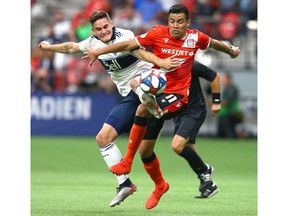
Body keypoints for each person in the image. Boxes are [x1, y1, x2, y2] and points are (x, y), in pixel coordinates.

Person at [38, 11, 179, 207]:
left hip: (147, 80)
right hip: (129, 96)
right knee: (103, 139)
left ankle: (151, 100)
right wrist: (49, 47)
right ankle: (125, 184)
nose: (104, 31)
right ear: (93, 31)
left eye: (106, 26)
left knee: (138, 83)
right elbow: (71, 47)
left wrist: (160, 62)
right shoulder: (92, 43)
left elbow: (141, 52)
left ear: (111, 23)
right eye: (98, 29)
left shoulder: (126, 35)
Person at [82, 3, 240, 177]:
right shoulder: (157, 33)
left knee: (144, 111)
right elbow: (128, 45)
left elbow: (214, 44)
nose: (175, 25)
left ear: (188, 22)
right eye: (172, 21)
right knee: (145, 150)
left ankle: (127, 161)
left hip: (179, 96)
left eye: (180, 21)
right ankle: (160, 186)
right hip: (159, 93)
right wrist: (100, 51)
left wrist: (230, 50)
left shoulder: (195, 38)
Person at [137, 61, 221, 209]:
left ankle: (205, 170)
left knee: (177, 145)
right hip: (178, 112)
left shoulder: (188, 63)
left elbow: (214, 76)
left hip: (194, 110)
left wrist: (216, 102)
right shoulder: (156, 68)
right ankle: (207, 183)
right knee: (189, 149)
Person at [216, 72, 243, 138]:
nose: (223, 82)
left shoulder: (233, 89)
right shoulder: (225, 89)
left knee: (230, 135)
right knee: (220, 136)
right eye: (222, 80)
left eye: (224, 80)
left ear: (229, 80)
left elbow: (227, 101)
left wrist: (215, 100)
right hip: (222, 115)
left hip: (230, 115)